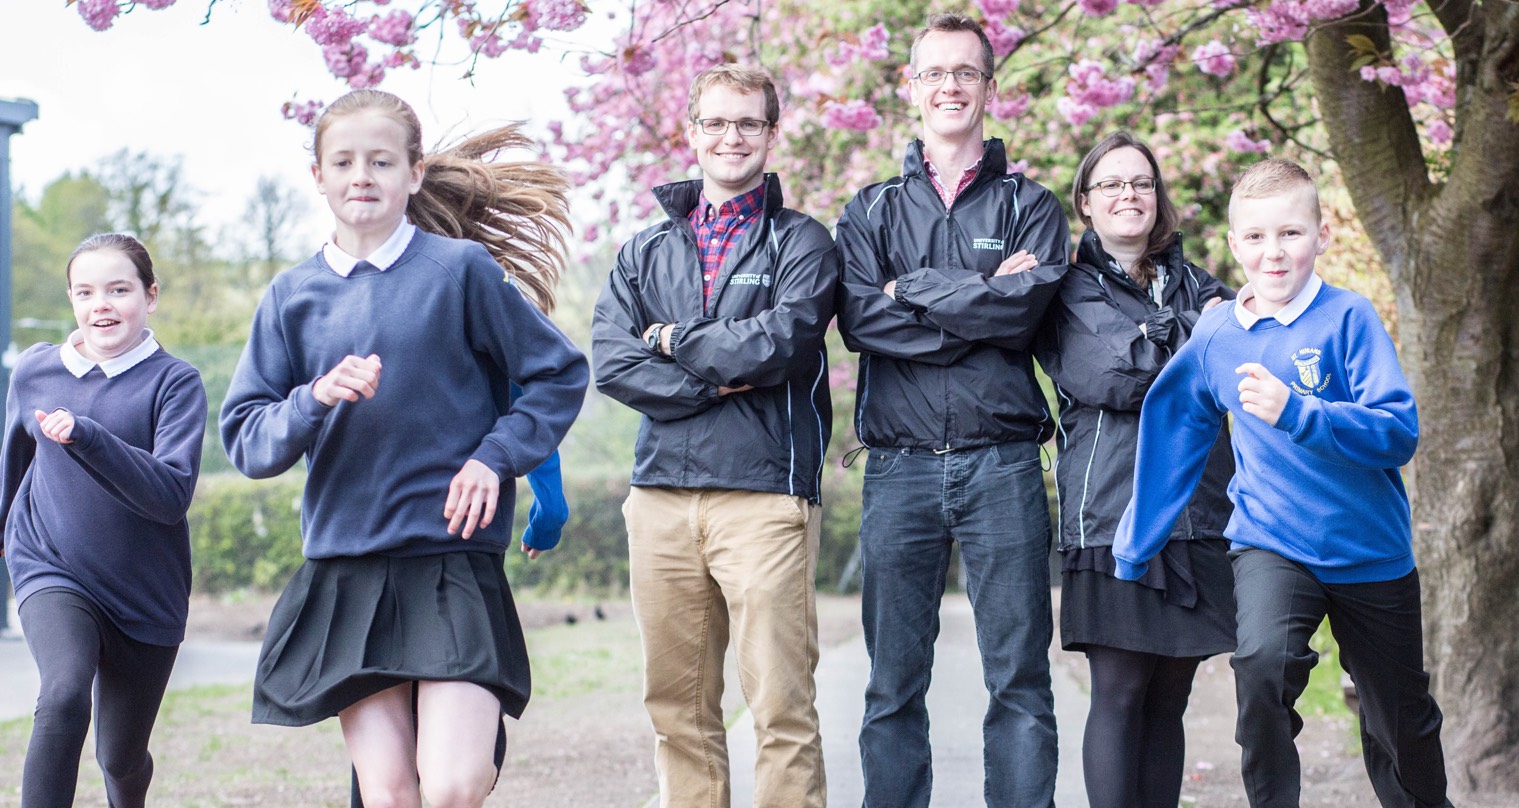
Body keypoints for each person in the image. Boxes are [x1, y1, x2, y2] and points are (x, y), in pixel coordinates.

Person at [220, 88, 588, 808]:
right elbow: (247, 438)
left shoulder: (461, 272)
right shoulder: (290, 296)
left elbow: (557, 373)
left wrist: (494, 456)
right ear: (318, 177)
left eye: (382, 161)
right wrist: (312, 399)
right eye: (345, 161)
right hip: (347, 570)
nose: (363, 176)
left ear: (414, 174)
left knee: (451, 785)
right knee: (390, 797)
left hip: (450, 561)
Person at [1114, 158, 1452, 808]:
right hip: (1272, 544)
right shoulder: (1216, 335)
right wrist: (1137, 541)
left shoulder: (1348, 319)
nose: (1275, 252)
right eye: (1259, 237)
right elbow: (1174, 427)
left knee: (1400, 720)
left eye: (1291, 234)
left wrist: (1298, 411)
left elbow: (1397, 432)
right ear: (1236, 244)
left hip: (1371, 552)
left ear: (1321, 236)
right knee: (1261, 666)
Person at [834, 12, 1069, 808]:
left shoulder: (1031, 206)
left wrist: (915, 290)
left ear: (989, 87)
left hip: (1001, 467)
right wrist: (981, 293)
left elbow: (1021, 318)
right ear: (910, 88)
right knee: (893, 685)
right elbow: (864, 322)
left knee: (1020, 681)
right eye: (934, 72)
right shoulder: (867, 211)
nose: (950, 87)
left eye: (965, 72)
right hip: (896, 473)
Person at [590, 62, 838, 808]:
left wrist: (667, 338)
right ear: (692, 133)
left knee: (780, 709)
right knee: (676, 711)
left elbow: (778, 345)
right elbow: (611, 360)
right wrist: (706, 372)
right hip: (660, 499)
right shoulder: (643, 251)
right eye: (717, 122)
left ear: (771, 132)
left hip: (764, 499)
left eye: (748, 123)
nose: (732, 137)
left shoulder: (802, 242)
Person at [1034, 131, 1236, 808]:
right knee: (1120, 693)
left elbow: (1233, 362)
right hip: (1112, 514)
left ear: (1158, 198)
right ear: (1086, 203)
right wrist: (1194, 332)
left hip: (1199, 514)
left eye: (1142, 183)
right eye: (1113, 184)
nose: (1130, 194)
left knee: (1170, 697)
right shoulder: (1065, 289)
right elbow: (1117, 378)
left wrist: (1168, 334)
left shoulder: (1202, 283)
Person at [0, 233, 205, 808]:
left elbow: (170, 495)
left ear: (151, 295)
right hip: (51, 565)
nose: (102, 305)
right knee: (63, 695)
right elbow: (16, 449)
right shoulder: (35, 370)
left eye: (119, 289)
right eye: (86, 292)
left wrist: (89, 437)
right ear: (71, 300)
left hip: (145, 593)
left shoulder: (175, 383)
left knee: (119, 756)